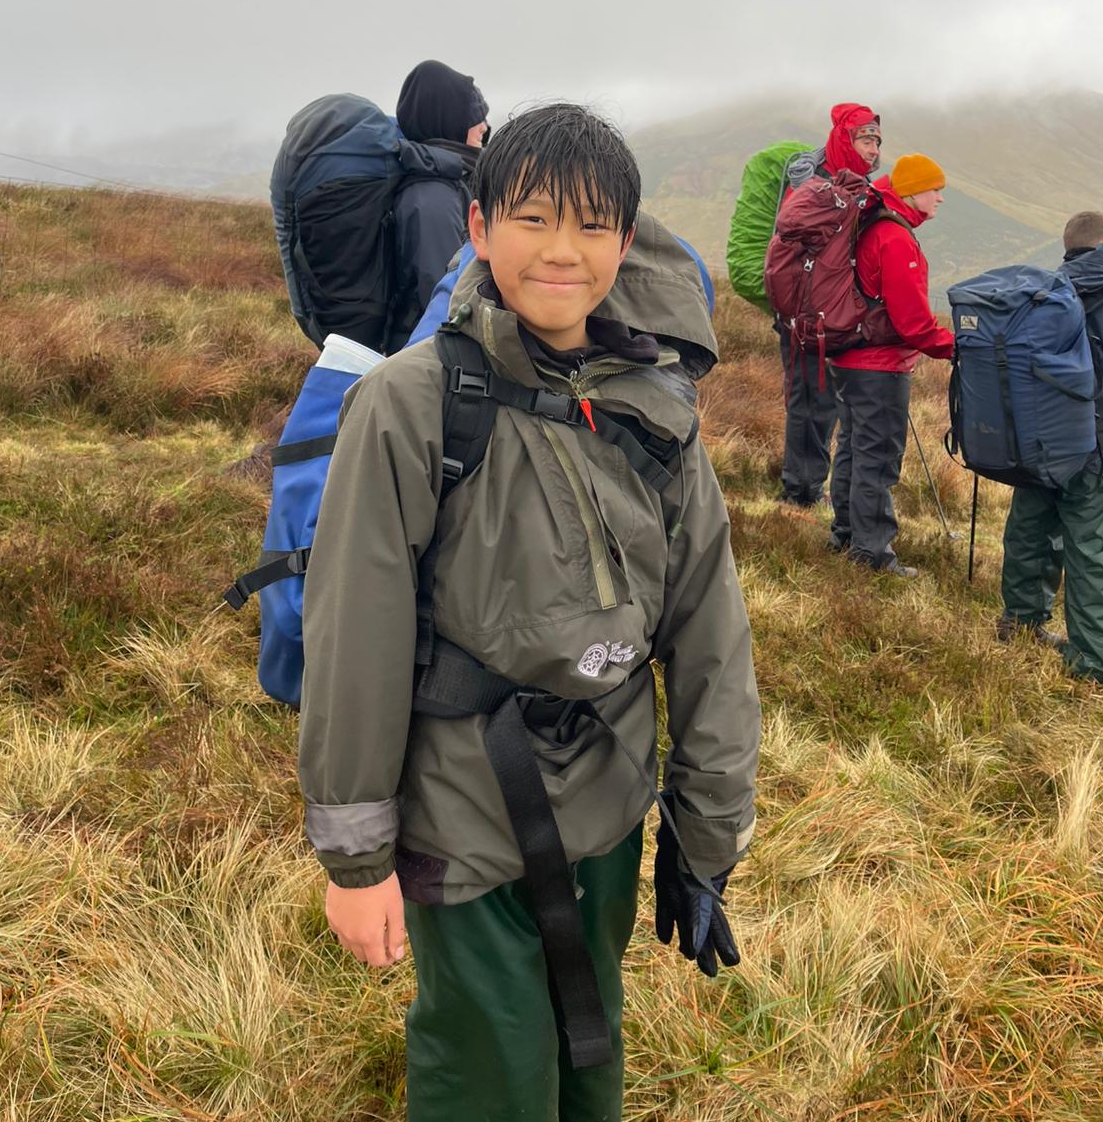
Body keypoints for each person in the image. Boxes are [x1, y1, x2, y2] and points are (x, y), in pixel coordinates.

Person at [298, 103, 761, 1122]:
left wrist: (705, 834)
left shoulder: (656, 409)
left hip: (608, 800)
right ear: (479, 228)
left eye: (592, 225)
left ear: (625, 242)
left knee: (589, 1051)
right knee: (490, 1070)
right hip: (462, 809)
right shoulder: (410, 403)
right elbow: (355, 634)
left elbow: (709, 630)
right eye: (534, 218)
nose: (562, 250)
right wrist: (357, 859)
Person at [997, 211, 1103, 683]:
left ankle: (1020, 622)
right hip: (1092, 451)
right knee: (1088, 549)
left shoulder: (1037, 298)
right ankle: (1095, 662)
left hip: (1032, 444)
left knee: (1028, 530)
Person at [828, 153, 954, 574]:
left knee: (853, 448)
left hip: (848, 357)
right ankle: (872, 554)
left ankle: (846, 536)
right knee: (877, 458)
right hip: (878, 366)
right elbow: (914, 323)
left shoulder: (873, 225)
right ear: (914, 192)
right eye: (935, 190)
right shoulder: (895, 237)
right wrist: (956, 347)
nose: (940, 198)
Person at [777, 104, 882, 507]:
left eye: (877, 142)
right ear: (845, 140)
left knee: (826, 402)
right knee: (811, 400)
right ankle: (800, 491)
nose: (873, 149)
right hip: (809, 314)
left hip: (837, 312)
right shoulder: (814, 185)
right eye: (866, 140)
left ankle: (809, 485)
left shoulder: (857, 185)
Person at [388, 59, 490, 351]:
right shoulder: (432, 196)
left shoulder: (450, 181)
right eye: (475, 115)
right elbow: (448, 293)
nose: (484, 126)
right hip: (429, 349)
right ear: (449, 120)